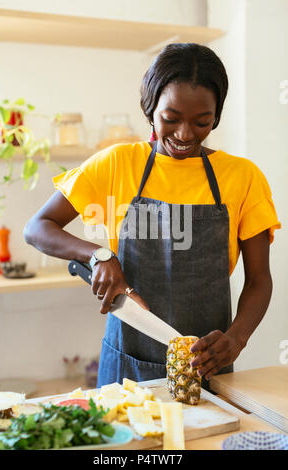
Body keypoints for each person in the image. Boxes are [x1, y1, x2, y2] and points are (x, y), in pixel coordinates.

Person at [24, 43, 281, 391]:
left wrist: (236, 339)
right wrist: (99, 255)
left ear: (216, 116)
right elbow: (38, 227)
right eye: (171, 119)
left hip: (205, 368)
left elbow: (259, 280)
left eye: (202, 122)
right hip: (124, 368)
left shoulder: (242, 177)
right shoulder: (117, 163)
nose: (185, 134)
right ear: (150, 108)